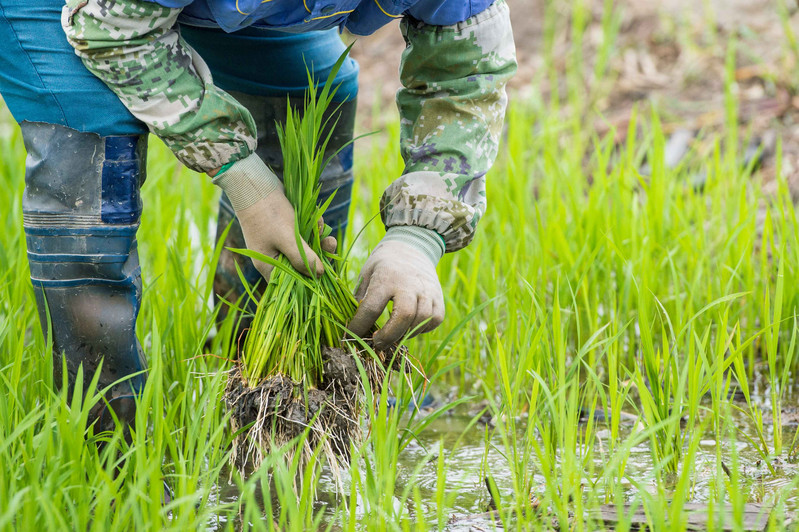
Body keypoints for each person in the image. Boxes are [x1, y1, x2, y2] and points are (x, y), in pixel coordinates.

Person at [0, 0, 516, 431]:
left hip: (249, 15)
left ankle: (260, 405)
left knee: (309, 116)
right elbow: (111, 30)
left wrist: (416, 237)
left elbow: (466, 67)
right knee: (89, 181)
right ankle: (106, 455)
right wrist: (242, 176)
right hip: (83, 11)